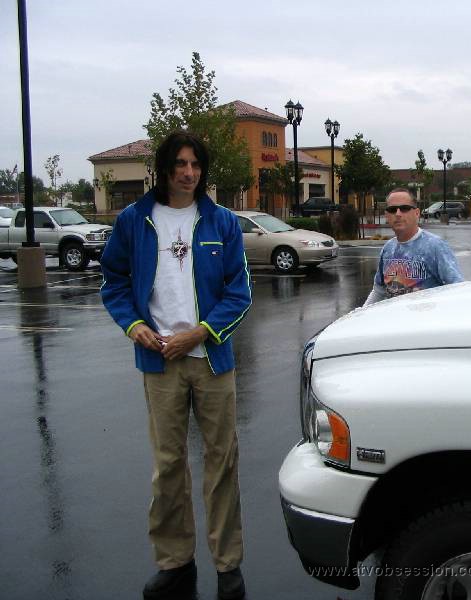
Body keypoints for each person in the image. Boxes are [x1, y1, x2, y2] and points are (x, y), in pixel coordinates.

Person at [100, 131, 251, 600]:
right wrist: (134, 327)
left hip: (210, 359)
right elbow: (114, 283)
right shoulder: (134, 220)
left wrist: (200, 333)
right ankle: (174, 561)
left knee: (221, 462)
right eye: (180, 164)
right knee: (168, 466)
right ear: (165, 169)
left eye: (195, 165)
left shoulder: (222, 222)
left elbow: (238, 293)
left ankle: (227, 564)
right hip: (159, 362)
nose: (188, 173)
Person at [364, 188, 463, 305]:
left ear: (416, 213)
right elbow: (379, 291)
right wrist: (360, 315)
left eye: (404, 209)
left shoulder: (435, 246)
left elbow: (457, 289)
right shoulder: (388, 249)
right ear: (386, 215)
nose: (398, 214)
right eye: (392, 209)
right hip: (394, 320)